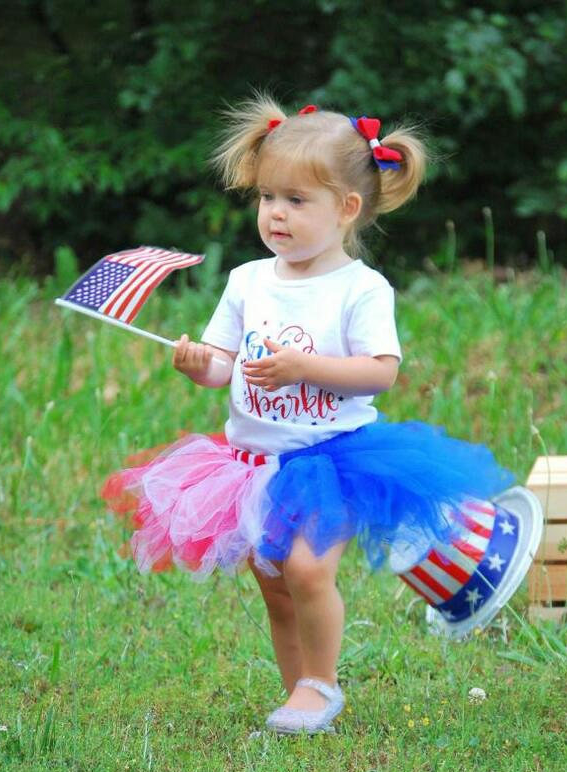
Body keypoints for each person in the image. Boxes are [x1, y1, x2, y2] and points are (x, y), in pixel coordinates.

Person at [102, 95, 514, 735]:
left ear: (347, 209)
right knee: (274, 582)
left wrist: (304, 367)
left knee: (306, 567)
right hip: (250, 462)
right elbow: (223, 364)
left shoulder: (360, 289)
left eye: (297, 201)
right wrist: (198, 364)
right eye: (268, 198)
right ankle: (298, 690)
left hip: (331, 459)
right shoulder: (247, 281)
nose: (277, 214)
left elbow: (381, 370)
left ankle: (322, 685)